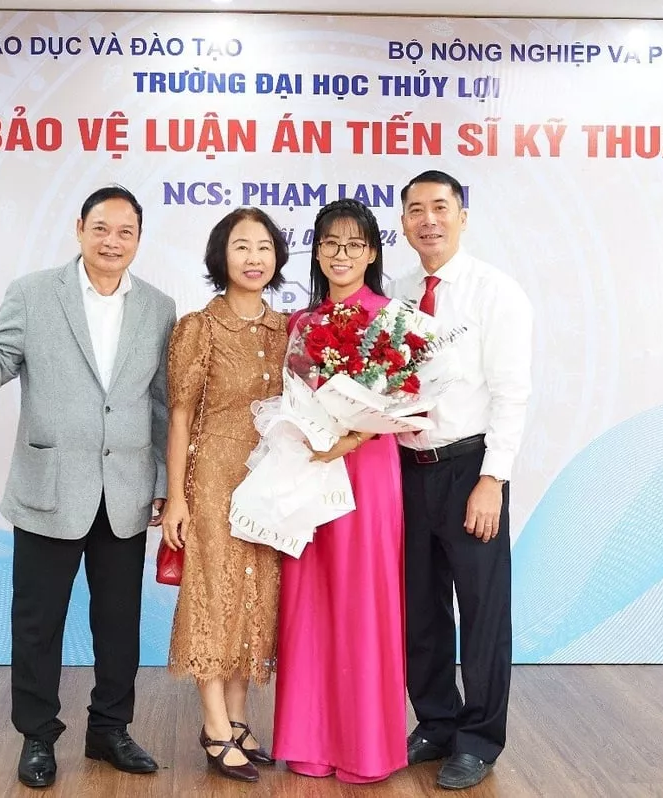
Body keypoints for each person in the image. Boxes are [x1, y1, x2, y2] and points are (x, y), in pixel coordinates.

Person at [0, 185, 177, 789]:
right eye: (101, 229)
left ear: (139, 239)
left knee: (118, 623)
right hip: (49, 487)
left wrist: (163, 481)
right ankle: (37, 736)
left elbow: (160, 403)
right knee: (38, 622)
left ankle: (110, 730)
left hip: (125, 491)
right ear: (79, 229)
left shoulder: (158, 307)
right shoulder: (35, 293)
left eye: (125, 232)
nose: (112, 241)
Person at [393, 169, 533, 790]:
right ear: (403, 223)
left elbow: (511, 393)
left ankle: (478, 740)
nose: (429, 220)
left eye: (440, 207)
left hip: (470, 469)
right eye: (416, 210)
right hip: (407, 470)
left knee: (481, 612)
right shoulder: (397, 294)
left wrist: (492, 479)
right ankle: (436, 723)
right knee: (420, 610)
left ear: (462, 216)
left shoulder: (495, 292)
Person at [271, 198, 409, 784]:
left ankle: (365, 748)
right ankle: (309, 740)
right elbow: (291, 397)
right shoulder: (301, 323)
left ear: (372, 252)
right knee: (310, 597)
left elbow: (403, 403)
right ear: (317, 251)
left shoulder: (394, 319)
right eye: (330, 243)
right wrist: (310, 436)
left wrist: (348, 439)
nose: (341, 254)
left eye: (354, 244)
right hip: (310, 469)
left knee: (363, 598)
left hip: (368, 473)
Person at [160, 207, 290, 783]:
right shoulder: (199, 327)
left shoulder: (287, 329)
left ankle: (238, 719)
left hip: (273, 480)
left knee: (257, 593)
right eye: (241, 246)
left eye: (264, 247)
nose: (254, 258)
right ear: (221, 256)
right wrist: (177, 498)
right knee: (214, 594)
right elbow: (179, 415)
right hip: (213, 479)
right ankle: (214, 727)